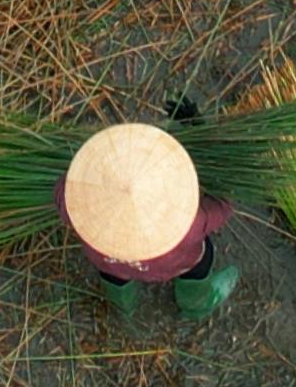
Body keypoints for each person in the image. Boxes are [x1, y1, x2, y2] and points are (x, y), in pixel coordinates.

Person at [61, 120, 239, 320]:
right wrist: (202, 131)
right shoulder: (192, 223)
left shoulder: (74, 200)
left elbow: (61, 192)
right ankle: (195, 306)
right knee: (201, 260)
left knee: (114, 277)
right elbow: (224, 204)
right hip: (170, 265)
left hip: (109, 264)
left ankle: (123, 308)